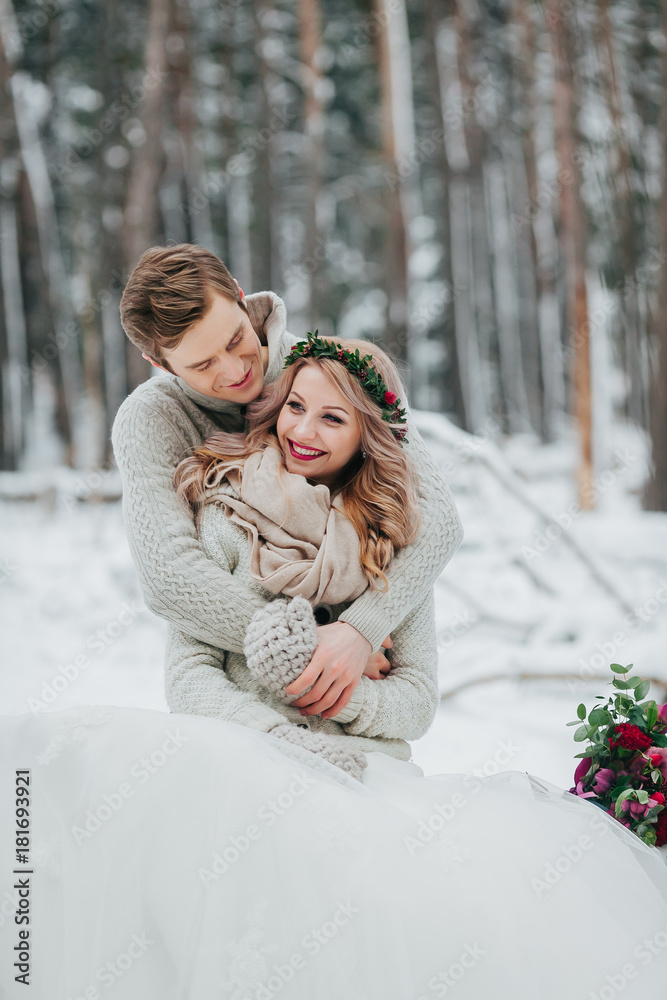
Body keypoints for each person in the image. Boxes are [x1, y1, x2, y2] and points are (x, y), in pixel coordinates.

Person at [2, 330, 667, 999]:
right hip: (237, 751)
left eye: (331, 417)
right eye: (294, 407)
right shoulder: (225, 509)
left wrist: (341, 689)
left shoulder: (389, 542)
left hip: (360, 770)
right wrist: (273, 738)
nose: (304, 430)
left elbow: (416, 697)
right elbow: (189, 672)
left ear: (367, 435)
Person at [111, 243, 464, 722]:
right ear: (162, 365)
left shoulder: (326, 368)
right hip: (240, 706)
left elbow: (436, 518)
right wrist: (307, 644)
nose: (235, 371)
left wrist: (361, 629)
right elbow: (169, 575)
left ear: (240, 297)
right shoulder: (152, 420)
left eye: (236, 339)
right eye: (202, 365)